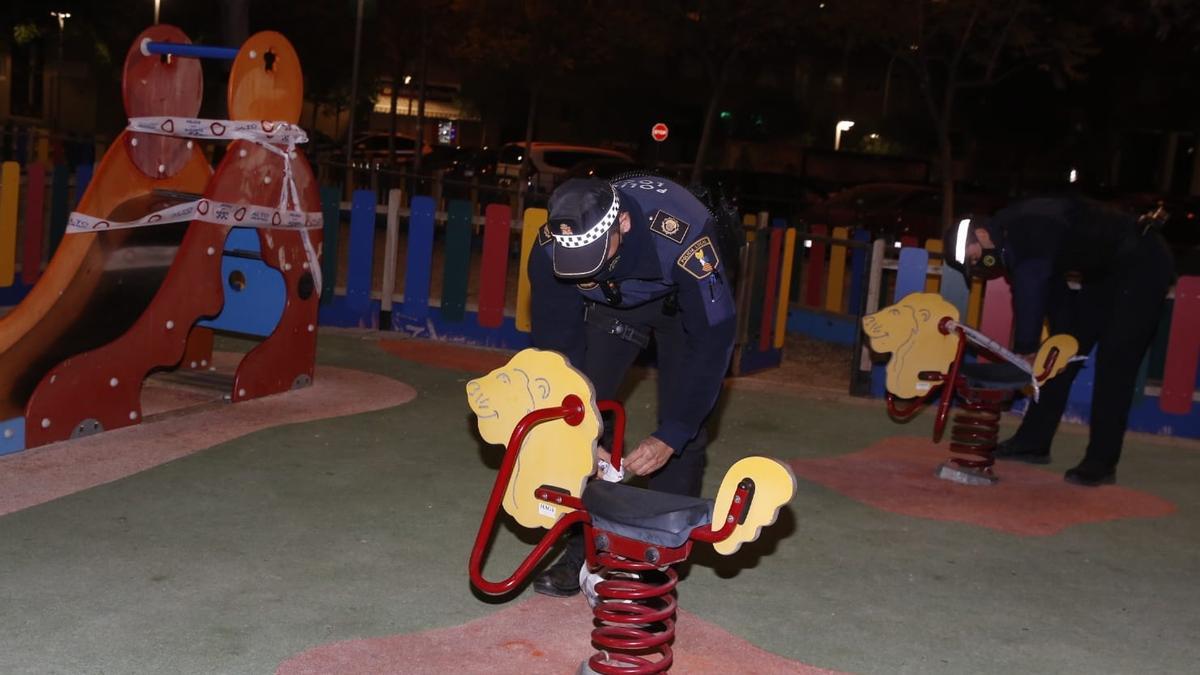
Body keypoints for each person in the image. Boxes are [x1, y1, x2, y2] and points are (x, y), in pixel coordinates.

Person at [527, 175, 737, 596]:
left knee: (684, 435)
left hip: (683, 307)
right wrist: (580, 431)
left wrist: (672, 434)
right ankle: (583, 550)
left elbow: (713, 342)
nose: (585, 263)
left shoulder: (689, 240)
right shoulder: (551, 246)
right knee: (581, 413)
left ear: (622, 223)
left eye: (593, 254)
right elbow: (557, 349)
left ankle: (654, 576)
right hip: (615, 303)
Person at [943, 196, 1175, 486]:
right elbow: (1052, 295)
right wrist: (1061, 341)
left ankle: (1101, 462)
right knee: (1059, 353)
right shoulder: (1014, 246)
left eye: (974, 258)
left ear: (981, 234)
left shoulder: (1024, 228)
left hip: (1143, 261)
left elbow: (1033, 283)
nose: (979, 267)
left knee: (1115, 364)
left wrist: (1026, 349)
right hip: (1105, 272)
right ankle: (1033, 442)